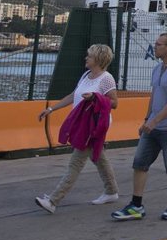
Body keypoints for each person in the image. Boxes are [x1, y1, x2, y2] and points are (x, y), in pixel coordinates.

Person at [35, 44, 121, 213]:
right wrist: (51, 109)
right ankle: (111, 191)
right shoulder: (86, 75)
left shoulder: (106, 79)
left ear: (98, 59)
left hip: (93, 125)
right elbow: (73, 95)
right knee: (99, 157)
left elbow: (114, 103)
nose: (86, 58)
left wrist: (95, 97)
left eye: (89, 56)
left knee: (76, 163)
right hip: (81, 122)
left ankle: (53, 201)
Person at [111, 33, 167, 221]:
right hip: (152, 126)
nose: (155, 47)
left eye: (159, 44)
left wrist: (155, 121)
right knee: (140, 163)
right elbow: (154, 95)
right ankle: (136, 205)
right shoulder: (157, 68)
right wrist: (147, 119)